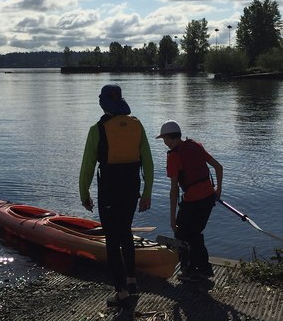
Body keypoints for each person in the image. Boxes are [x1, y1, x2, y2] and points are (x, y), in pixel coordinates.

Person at [79, 84, 154, 308]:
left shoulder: (97, 129)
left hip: (110, 189)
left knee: (113, 239)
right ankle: (131, 280)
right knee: (126, 231)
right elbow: (148, 162)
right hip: (131, 187)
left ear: (103, 103)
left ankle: (121, 292)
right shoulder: (137, 125)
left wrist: (84, 193)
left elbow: (87, 166)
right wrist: (147, 193)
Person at [156, 120, 223, 281]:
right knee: (195, 233)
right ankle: (204, 269)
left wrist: (172, 218)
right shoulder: (196, 146)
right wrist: (218, 191)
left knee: (181, 234)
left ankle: (190, 270)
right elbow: (218, 167)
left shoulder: (174, 155)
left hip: (194, 201)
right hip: (208, 198)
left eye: (164, 139)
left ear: (168, 137)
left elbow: (174, 190)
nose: (164, 143)